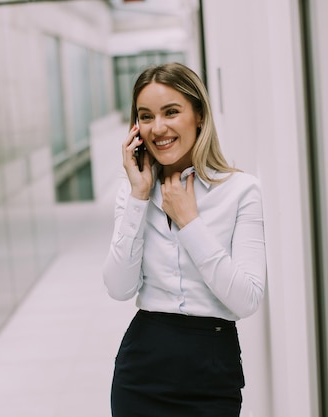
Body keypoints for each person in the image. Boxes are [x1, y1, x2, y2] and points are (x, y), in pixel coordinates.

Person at [102, 62, 267, 417]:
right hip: (141, 370)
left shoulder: (241, 191)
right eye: (146, 116)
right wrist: (138, 198)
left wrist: (190, 223)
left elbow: (247, 299)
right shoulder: (133, 194)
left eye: (171, 112)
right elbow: (118, 287)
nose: (158, 128)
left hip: (211, 370)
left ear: (200, 117)